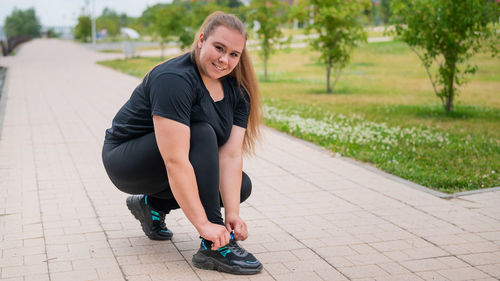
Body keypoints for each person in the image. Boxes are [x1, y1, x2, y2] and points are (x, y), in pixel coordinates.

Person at [101, 12, 263, 275]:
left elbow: (230, 156)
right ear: (201, 40)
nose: (225, 60)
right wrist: (208, 226)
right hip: (126, 160)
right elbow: (175, 160)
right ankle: (213, 248)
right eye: (219, 48)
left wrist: (232, 215)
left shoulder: (237, 93)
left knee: (240, 185)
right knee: (201, 132)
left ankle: (152, 205)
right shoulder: (174, 79)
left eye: (234, 54)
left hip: (168, 165)